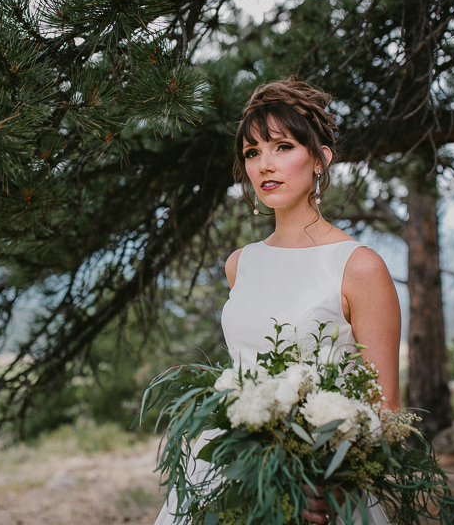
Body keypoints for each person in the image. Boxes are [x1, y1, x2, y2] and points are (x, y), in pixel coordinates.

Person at [153, 79, 402, 525]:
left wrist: (330, 478)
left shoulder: (359, 267)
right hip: (228, 472)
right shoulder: (240, 264)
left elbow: (386, 410)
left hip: (322, 489)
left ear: (321, 159)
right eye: (252, 153)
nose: (265, 164)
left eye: (282, 147)